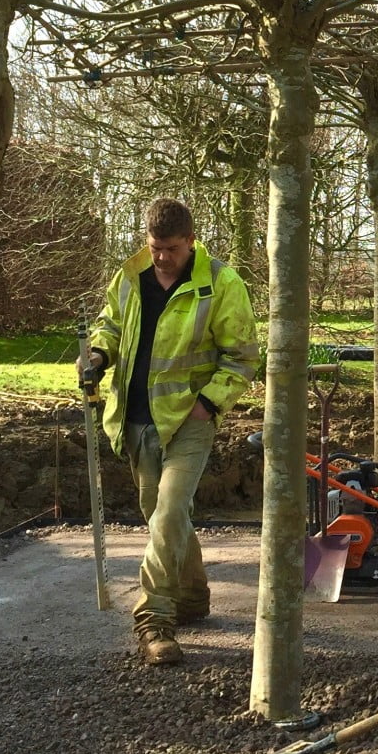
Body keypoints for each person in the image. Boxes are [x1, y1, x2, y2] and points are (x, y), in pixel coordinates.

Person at [78, 198, 259, 665]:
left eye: (172, 249)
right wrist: (97, 357)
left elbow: (241, 357)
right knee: (162, 514)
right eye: (156, 247)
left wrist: (208, 404)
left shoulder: (220, 283)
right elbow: (110, 327)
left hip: (189, 421)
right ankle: (194, 596)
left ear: (191, 241)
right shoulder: (130, 276)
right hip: (135, 419)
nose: (162, 257)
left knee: (170, 509)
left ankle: (154, 620)